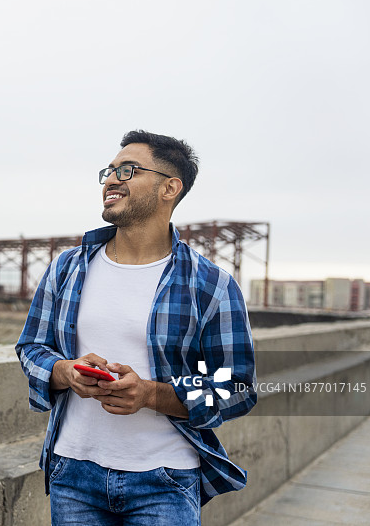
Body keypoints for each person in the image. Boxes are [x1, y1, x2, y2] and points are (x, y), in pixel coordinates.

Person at [15, 130, 257, 525]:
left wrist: (149, 395)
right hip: (72, 471)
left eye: (128, 170)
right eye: (109, 171)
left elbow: (237, 388)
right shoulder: (67, 268)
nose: (111, 180)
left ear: (169, 188)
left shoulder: (211, 284)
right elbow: (31, 347)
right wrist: (65, 371)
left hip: (165, 478)